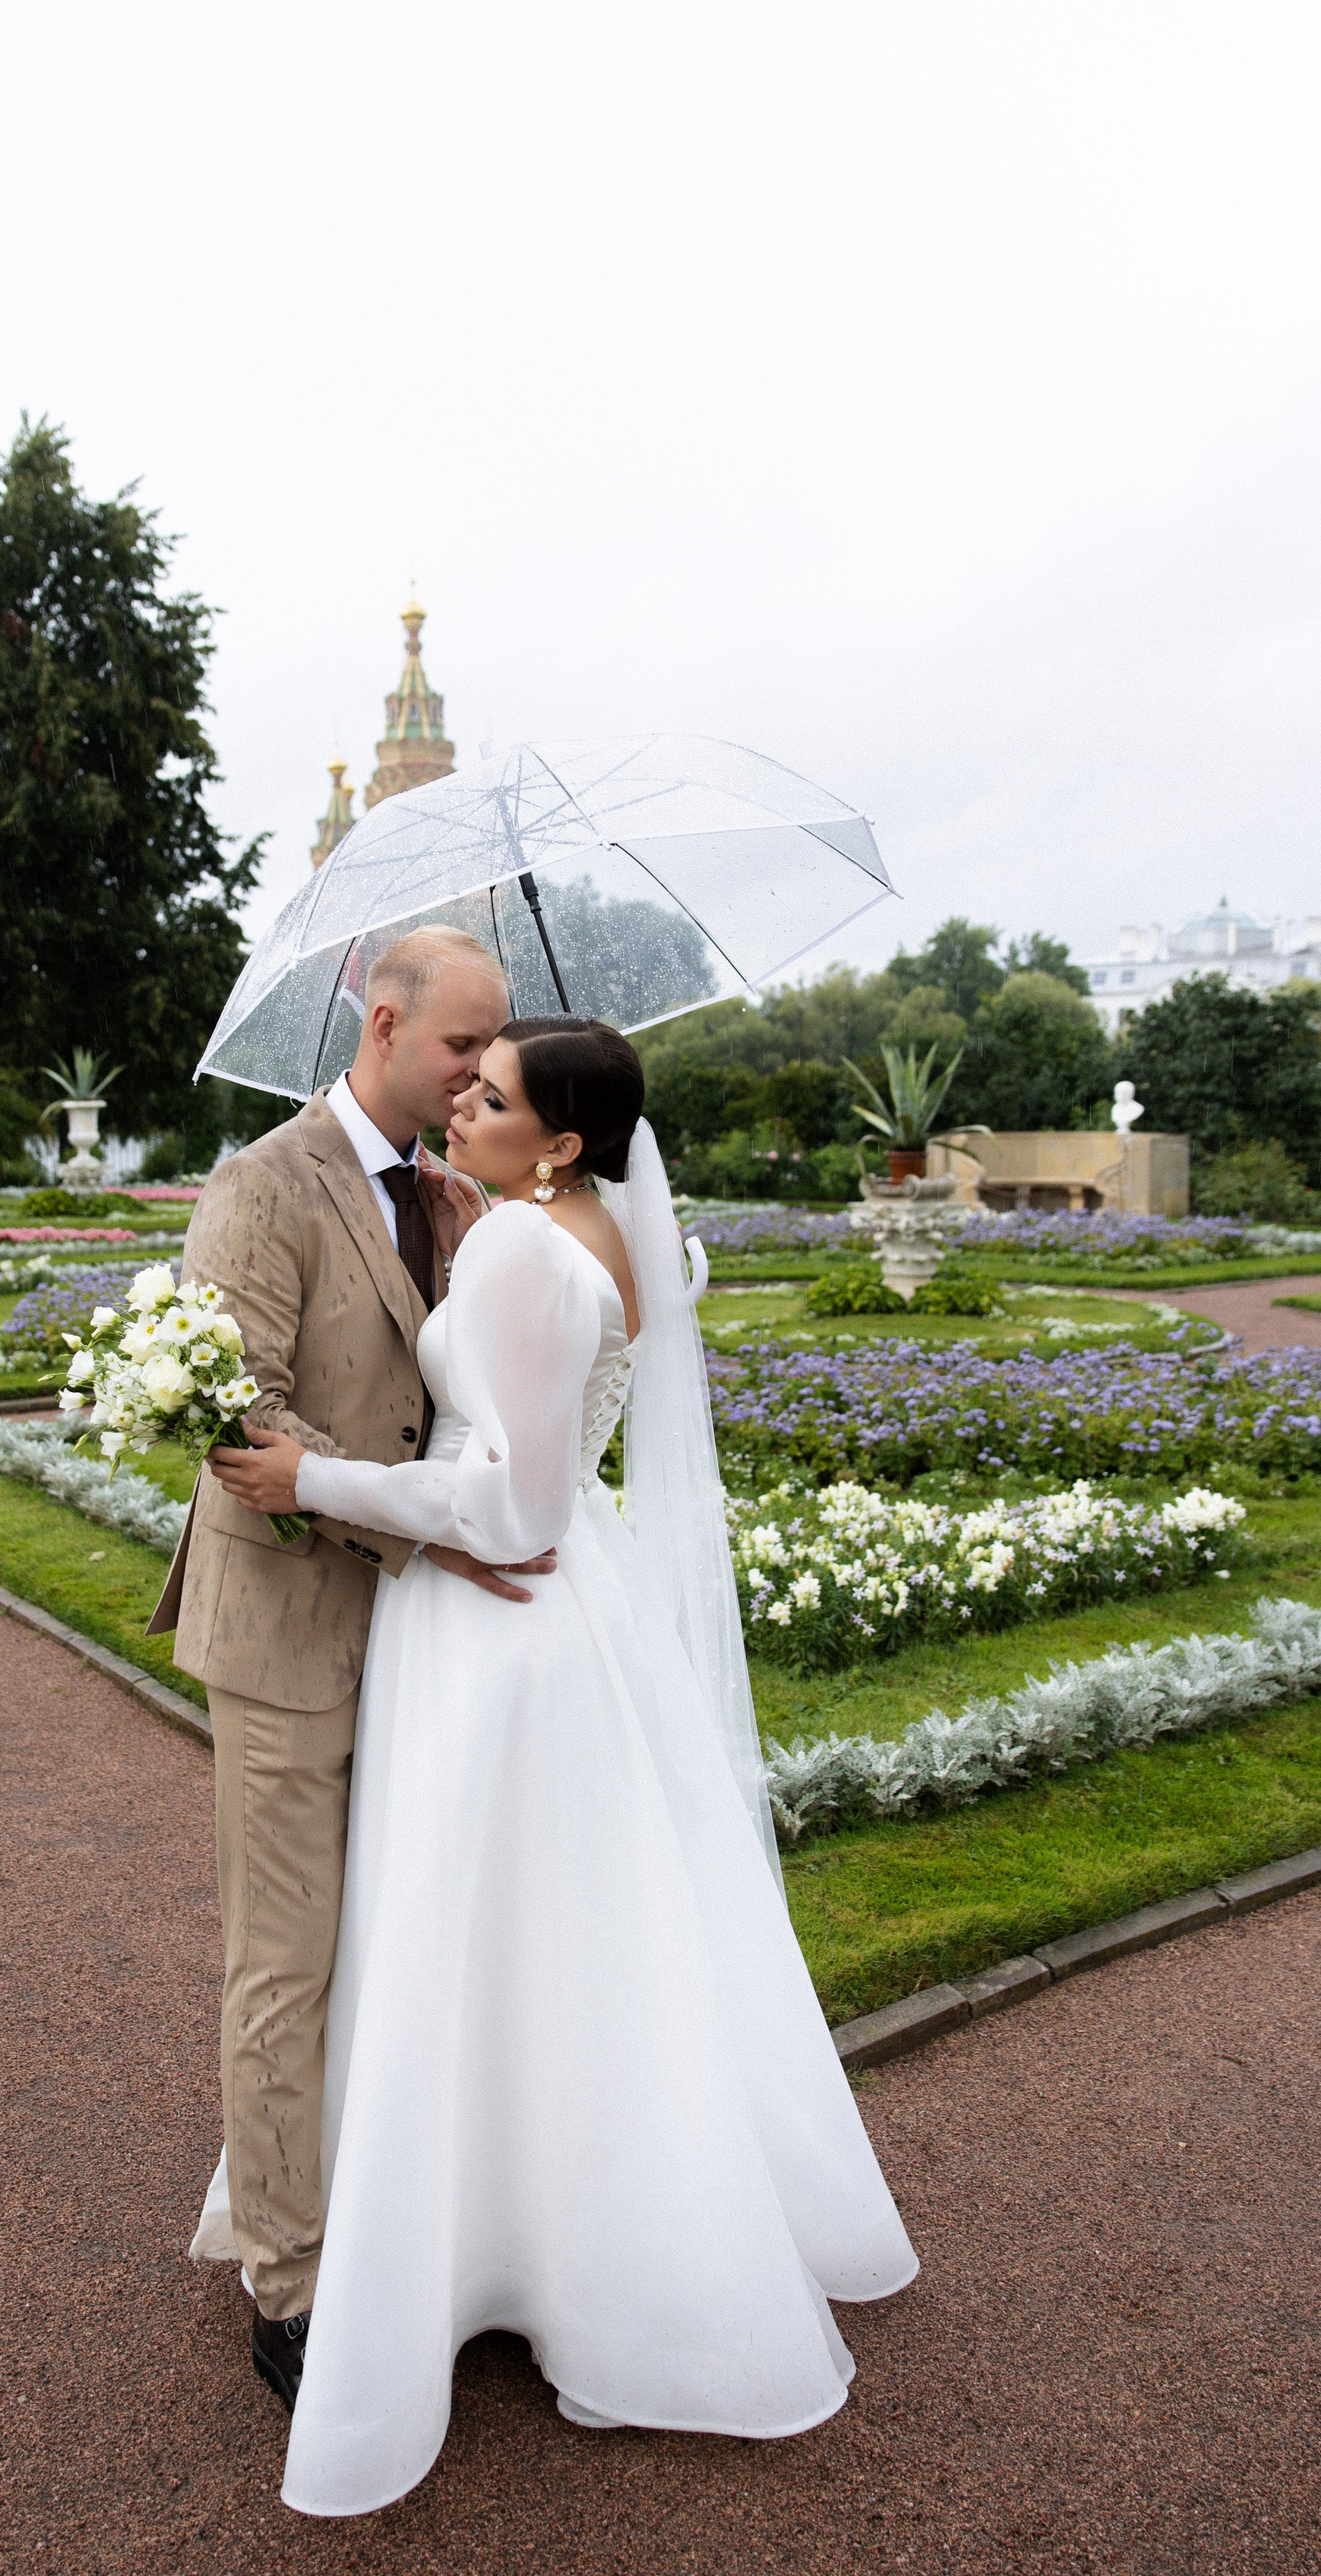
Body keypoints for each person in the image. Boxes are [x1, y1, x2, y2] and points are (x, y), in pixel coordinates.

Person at [209, 1016, 919, 2516]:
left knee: (471, 1932)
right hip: (587, 1615)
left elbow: (514, 1506)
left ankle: (471, 2246)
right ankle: (578, 2219)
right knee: (587, 1941)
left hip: (499, 1633)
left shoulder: (524, 1251)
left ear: (563, 1136)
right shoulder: (617, 1235)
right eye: (465, 1078)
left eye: (494, 1091)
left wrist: (307, 1477)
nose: (459, 1100)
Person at [148, 925, 545, 2417]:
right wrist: (433, 1538)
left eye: (495, 1057)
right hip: (290, 1635)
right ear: (381, 1025)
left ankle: (407, 2229)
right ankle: (290, 2283)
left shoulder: (450, 1195)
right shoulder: (262, 1182)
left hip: (424, 1654)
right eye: (462, 1048)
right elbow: (238, 1432)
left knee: (397, 1945)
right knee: (285, 1964)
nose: (476, 1075)